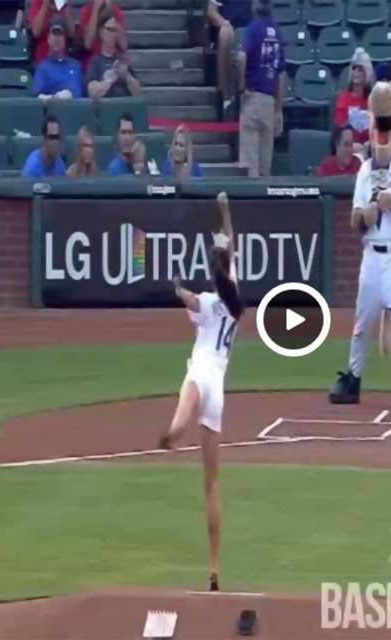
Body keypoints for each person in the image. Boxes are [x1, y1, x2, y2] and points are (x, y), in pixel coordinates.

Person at [158, 192, 244, 593]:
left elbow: (192, 298)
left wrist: (177, 290)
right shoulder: (232, 298)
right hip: (220, 392)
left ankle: (175, 430)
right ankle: (214, 567)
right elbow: (230, 239)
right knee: (211, 483)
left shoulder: (208, 302)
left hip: (202, 373)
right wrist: (224, 211)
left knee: (185, 403)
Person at [329, 81, 391, 405]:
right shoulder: (364, 171)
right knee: (361, 325)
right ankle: (353, 379)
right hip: (371, 257)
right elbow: (355, 220)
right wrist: (367, 213)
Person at [238, 0, 285, 178]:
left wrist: (242, 86)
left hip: (253, 96)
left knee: (251, 168)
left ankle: (253, 206)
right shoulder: (278, 32)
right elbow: (281, 74)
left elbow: (242, 57)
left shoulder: (252, 28)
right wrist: (278, 109)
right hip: (270, 100)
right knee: (265, 168)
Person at [87, 10, 141, 99]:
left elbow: (139, 94)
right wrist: (110, 79)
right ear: (101, 32)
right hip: (106, 109)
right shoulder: (95, 61)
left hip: (124, 109)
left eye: (115, 31)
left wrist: (127, 76)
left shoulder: (123, 59)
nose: (112, 34)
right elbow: (92, 93)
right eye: (109, 29)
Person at [33, 17, 84, 100]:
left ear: (65, 40)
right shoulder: (43, 67)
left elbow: (78, 93)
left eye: (60, 35)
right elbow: (38, 95)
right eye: (54, 34)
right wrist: (56, 97)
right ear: (48, 39)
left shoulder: (75, 65)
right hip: (51, 110)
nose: (57, 38)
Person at [334, 48, 374, 150]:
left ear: (367, 73)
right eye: (354, 68)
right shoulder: (344, 99)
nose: (356, 72)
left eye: (360, 69)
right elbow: (340, 131)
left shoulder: (373, 100)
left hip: (370, 148)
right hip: (350, 148)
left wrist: (369, 144)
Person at [80, 0, 127, 70]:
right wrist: (95, 10)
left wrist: (111, 11)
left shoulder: (115, 10)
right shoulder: (86, 11)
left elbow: (123, 46)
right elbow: (88, 44)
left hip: (113, 60)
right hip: (93, 61)